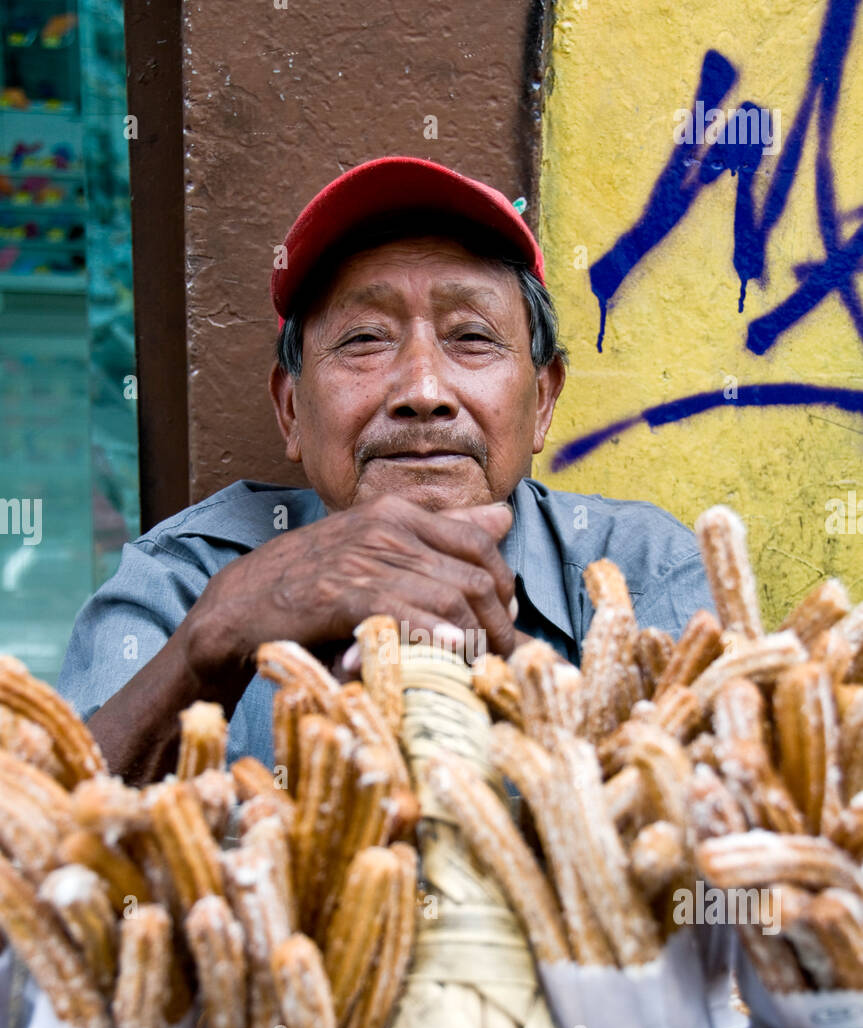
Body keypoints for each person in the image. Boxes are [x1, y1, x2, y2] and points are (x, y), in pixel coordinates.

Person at [58, 157, 714, 783]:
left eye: (472, 337)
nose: (422, 389)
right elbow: (40, 852)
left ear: (541, 402)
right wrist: (215, 640)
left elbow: (734, 853)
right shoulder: (181, 583)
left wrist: (537, 711)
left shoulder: (639, 573)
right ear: (291, 411)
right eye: (364, 339)